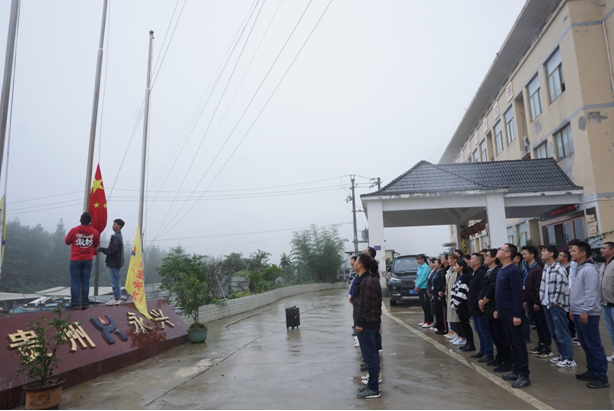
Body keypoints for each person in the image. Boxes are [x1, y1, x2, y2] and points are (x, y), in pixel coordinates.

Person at [570, 240, 609, 389]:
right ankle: (591, 371)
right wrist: (573, 309)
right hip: (578, 311)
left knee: (594, 345)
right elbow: (577, 291)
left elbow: (591, 292)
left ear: (583, 253)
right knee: (586, 344)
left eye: (573, 251)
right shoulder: (579, 268)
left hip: (587, 313)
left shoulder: (590, 270)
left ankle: (601, 377)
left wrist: (586, 310)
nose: (571, 253)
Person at [495, 243, 531, 388]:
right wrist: (498, 309)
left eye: (500, 249)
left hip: (512, 313)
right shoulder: (501, 270)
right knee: (511, 343)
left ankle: (524, 374)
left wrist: (517, 314)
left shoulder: (514, 271)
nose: (498, 251)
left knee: (518, 344)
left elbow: (517, 295)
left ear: (508, 254)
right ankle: (516, 370)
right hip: (503, 312)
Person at [539, 245, 575, 368]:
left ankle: (569, 358)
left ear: (551, 254)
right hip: (546, 304)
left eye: (544, 251)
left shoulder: (559, 269)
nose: (542, 253)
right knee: (553, 332)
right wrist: (542, 300)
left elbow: (562, 287)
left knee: (562, 332)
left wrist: (555, 302)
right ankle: (562, 355)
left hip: (556, 305)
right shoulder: (546, 267)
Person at [353, 253, 383, 399]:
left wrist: (359, 323)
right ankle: (371, 384)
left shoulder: (366, 281)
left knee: (370, 358)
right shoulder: (368, 279)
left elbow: (364, 304)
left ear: (360, 265)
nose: (353, 263)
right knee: (370, 356)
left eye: (356, 261)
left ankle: (373, 388)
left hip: (366, 325)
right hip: (371, 323)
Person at [479, 249, 513, 372]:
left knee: (501, 336)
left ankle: (507, 361)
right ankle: (499, 358)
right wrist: (481, 300)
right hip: (488, 307)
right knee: (495, 335)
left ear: (494, 258)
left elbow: (493, 288)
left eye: (487, 256)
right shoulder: (488, 272)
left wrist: (484, 301)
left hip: (495, 306)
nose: (485, 258)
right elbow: (484, 288)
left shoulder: (498, 271)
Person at [64, 212, 100, 310]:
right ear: (90, 222)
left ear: (80, 220)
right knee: (85, 281)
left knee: (75, 281)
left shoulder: (74, 231)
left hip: (75, 259)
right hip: (88, 259)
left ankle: (74, 303)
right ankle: (85, 302)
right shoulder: (94, 232)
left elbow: (67, 242)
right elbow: (96, 244)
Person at [522, 245, 552, 358]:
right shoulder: (529, 268)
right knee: (537, 324)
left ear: (532, 255)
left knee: (542, 324)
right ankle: (541, 344)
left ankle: (546, 347)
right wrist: (526, 299)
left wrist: (537, 302)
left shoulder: (537, 268)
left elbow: (538, 287)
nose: (523, 256)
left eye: (525, 254)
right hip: (530, 301)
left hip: (537, 302)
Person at [469, 253, 493, 362]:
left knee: (484, 331)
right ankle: (482, 350)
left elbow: (481, 290)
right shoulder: (474, 273)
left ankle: (488, 352)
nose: (470, 261)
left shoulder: (481, 273)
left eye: (472, 259)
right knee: (478, 330)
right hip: (474, 307)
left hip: (479, 306)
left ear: (478, 261)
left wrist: (478, 301)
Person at [98, 218, 125, 306]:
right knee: (116, 279)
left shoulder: (117, 237)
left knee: (115, 280)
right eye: (113, 224)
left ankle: (117, 298)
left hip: (115, 261)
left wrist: (100, 249)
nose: (113, 226)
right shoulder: (116, 236)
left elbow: (112, 250)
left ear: (119, 226)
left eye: (115, 224)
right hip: (116, 261)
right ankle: (117, 297)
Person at [451, 258, 474, 351]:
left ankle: (470, 343)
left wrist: (455, 303)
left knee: (466, 325)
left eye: (456, 266)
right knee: (464, 325)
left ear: (461, 267)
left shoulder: (465, 277)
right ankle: (468, 343)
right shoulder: (460, 277)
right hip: (459, 305)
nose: (455, 267)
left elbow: (462, 292)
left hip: (463, 304)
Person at [558, 249, 578, 341]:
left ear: (566, 258)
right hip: (563, 296)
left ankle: (572, 333)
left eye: (560, 255)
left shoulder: (569, 268)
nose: (558, 257)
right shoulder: (560, 268)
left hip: (569, 295)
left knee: (569, 316)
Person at [600, 242, 614, 362]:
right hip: (605, 304)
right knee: (611, 331)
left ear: (612, 250)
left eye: (604, 248)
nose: (601, 250)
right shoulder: (603, 266)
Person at [446, 254, 464, 344]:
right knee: (452, 316)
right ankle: (456, 333)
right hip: (450, 295)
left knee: (457, 317)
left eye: (450, 259)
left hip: (456, 297)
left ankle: (461, 336)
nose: (448, 260)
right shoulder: (450, 270)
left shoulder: (457, 272)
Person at [415, 254, 433, 328]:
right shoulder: (419, 268)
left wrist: (418, 286)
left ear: (423, 259)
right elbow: (417, 277)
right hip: (420, 288)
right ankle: (425, 320)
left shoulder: (426, 268)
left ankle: (429, 321)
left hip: (424, 287)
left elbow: (423, 278)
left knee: (426, 304)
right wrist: (416, 285)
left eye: (418, 259)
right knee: (423, 304)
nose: (417, 261)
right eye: (417, 259)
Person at [432, 258, 448, 335]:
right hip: (435, 294)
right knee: (437, 312)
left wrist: (440, 294)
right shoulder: (436, 273)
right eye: (434, 263)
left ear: (440, 265)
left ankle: (443, 328)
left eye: (436, 263)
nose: (434, 264)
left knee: (441, 312)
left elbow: (441, 284)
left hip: (439, 295)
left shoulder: (441, 273)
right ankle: (439, 327)